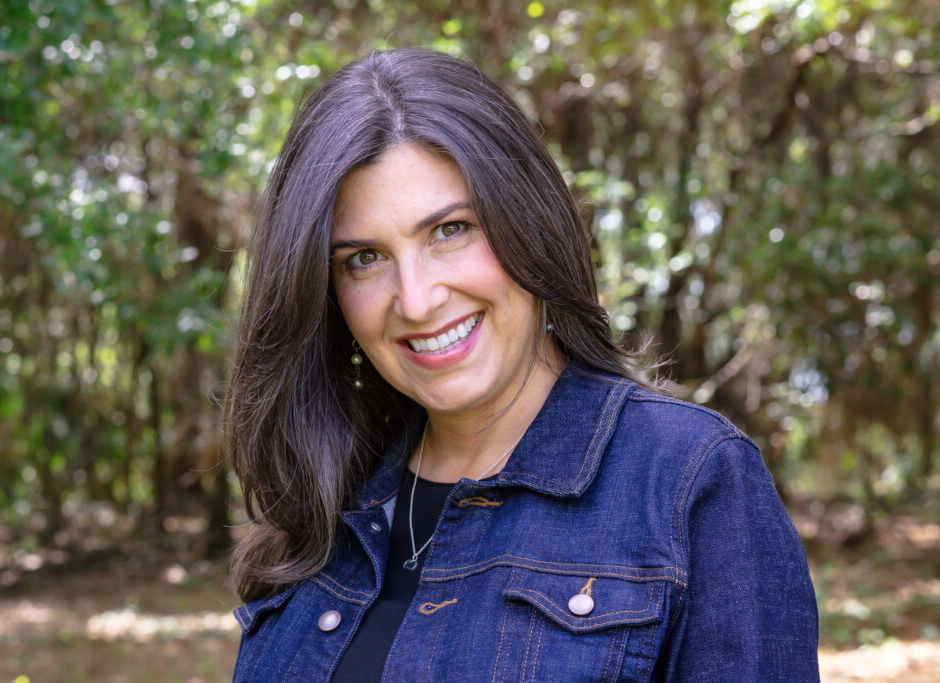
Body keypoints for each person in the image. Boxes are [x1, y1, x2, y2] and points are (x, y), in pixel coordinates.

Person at [225, 48, 819, 682]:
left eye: (450, 230)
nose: (418, 300)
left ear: (526, 221)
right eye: (364, 259)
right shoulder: (329, 501)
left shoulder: (688, 480)